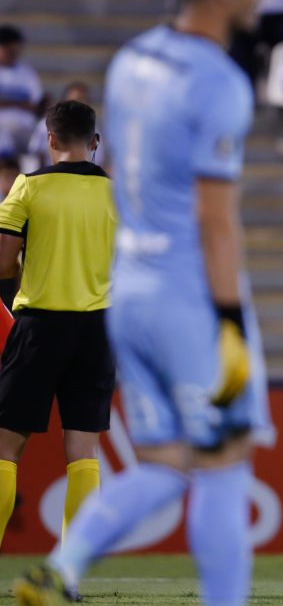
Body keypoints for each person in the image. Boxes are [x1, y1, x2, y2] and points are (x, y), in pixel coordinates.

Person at [14, 0, 273, 605]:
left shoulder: (132, 60)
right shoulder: (219, 81)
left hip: (131, 295)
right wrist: (230, 324)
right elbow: (216, 219)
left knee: (163, 464)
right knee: (222, 467)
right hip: (188, 296)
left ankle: (62, 566)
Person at [0, 101, 114, 557]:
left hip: (40, 327)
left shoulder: (27, 187)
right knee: (83, 451)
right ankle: (70, 569)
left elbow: (3, 261)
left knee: (5, 447)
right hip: (97, 330)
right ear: (95, 142)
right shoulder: (118, 194)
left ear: (49, 139)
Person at [0, 26, 43, 154]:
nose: (12, 52)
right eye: (8, 48)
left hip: (25, 129)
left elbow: (36, 105)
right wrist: (18, 103)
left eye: (15, 48)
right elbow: (27, 104)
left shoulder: (28, 73)